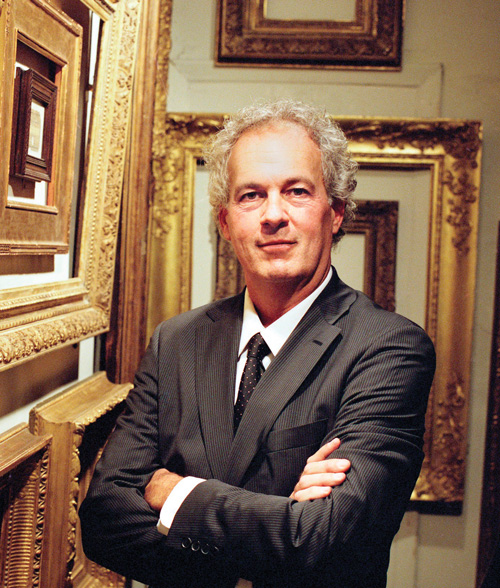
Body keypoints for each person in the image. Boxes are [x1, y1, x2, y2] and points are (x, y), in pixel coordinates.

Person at [80, 99, 435, 588]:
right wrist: (281, 519)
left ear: (335, 213)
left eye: (296, 192)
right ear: (226, 223)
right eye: (251, 195)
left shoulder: (389, 348)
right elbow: (103, 519)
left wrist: (175, 493)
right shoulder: (176, 341)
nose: (273, 215)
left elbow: (326, 538)